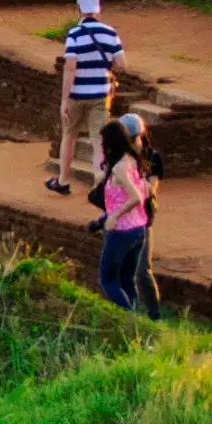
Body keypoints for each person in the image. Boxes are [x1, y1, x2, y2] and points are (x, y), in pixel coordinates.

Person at [49, 0, 123, 191]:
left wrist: (64, 99)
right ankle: (99, 176)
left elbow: (70, 66)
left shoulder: (74, 34)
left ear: (79, 9)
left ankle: (63, 180)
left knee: (69, 135)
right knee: (98, 139)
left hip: (76, 94)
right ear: (98, 10)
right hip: (100, 94)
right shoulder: (110, 33)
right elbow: (122, 64)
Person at [89, 113, 158, 313]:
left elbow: (136, 196)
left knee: (108, 280)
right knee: (127, 280)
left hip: (122, 231)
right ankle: (136, 319)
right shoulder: (131, 161)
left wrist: (114, 216)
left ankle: (127, 317)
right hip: (138, 230)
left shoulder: (119, 167)